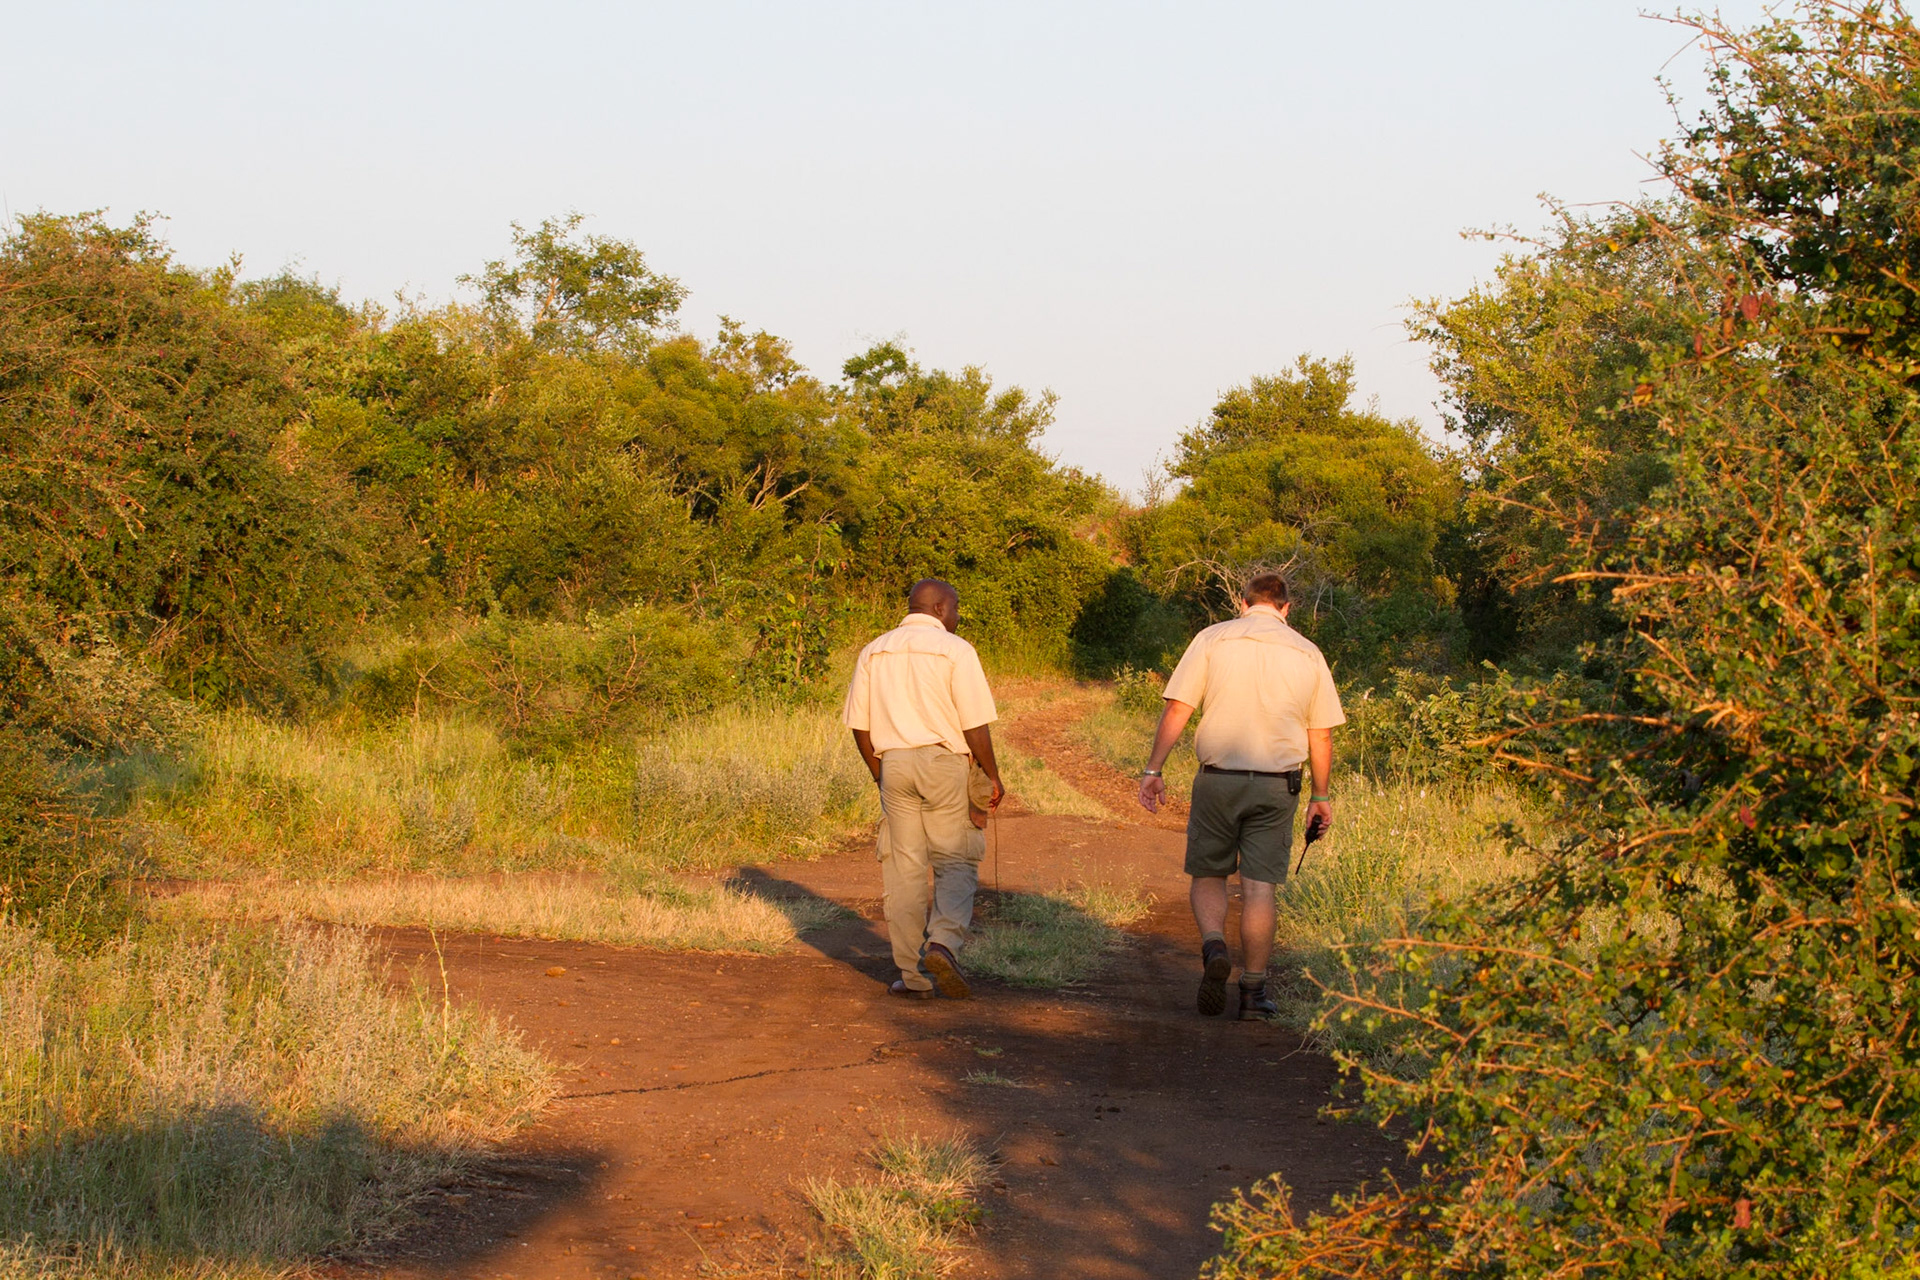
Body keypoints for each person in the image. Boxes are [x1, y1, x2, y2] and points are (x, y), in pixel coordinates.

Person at [1137, 572, 1343, 1020]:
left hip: (1217, 778)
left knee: (1209, 872)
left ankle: (1214, 947)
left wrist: (1154, 769)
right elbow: (1320, 733)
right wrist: (1320, 795)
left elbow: (1179, 708)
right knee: (1259, 887)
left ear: (1243, 603)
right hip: (1277, 784)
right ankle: (1253, 992)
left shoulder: (1213, 639)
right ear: (1286, 609)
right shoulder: (1308, 652)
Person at [844, 578, 1005, 999]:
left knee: (903, 868)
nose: (955, 618)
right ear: (939, 609)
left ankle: (911, 977)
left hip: (892, 763)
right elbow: (974, 723)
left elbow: (859, 726)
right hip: (943, 762)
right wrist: (992, 773)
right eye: (954, 610)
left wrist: (880, 773)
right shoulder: (956, 650)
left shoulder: (875, 649)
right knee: (954, 860)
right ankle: (943, 945)